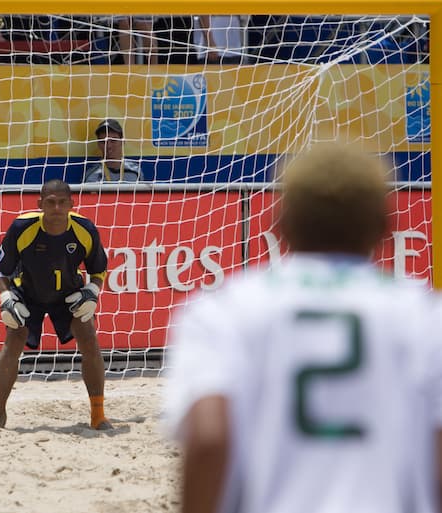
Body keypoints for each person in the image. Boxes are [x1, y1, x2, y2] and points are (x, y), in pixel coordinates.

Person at [161, 142, 442, 513]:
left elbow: (210, 438)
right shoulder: (423, 314)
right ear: (385, 227)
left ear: (280, 224)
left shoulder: (222, 310)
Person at [0, 179, 112, 430]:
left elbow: (99, 269)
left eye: (62, 202)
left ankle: (98, 415)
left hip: (68, 295)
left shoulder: (84, 229)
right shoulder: (22, 227)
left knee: (88, 336)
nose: (56, 207)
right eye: (50, 202)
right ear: (40, 204)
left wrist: (92, 290)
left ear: (71, 204)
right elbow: (0, 270)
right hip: (28, 293)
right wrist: (5, 297)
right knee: (13, 340)